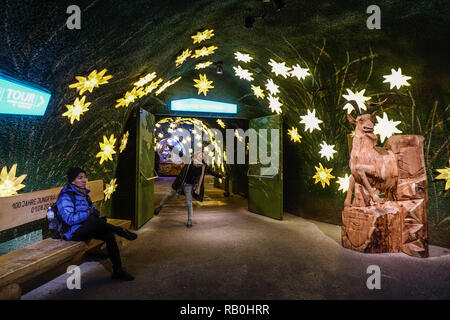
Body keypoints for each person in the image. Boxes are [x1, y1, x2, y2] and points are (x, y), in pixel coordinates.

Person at [56, 167, 138, 281]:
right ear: (72, 181)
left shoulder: (84, 194)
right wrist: (88, 213)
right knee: (92, 220)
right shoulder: (66, 197)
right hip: (72, 232)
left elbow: (93, 211)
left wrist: (92, 212)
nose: (84, 180)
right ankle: (120, 230)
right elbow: (69, 219)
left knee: (109, 235)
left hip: (88, 227)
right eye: (80, 178)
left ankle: (118, 270)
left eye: (85, 177)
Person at [154, 151, 225, 227]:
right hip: (180, 183)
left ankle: (189, 220)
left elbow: (212, 172)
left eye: (202, 155)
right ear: (196, 155)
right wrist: (172, 147)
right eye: (199, 154)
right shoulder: (189, 161)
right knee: (169, 195)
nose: (201, 156)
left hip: (189, 186)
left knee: (189, 202)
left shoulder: (203, 167)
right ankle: (160, 207)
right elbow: (180, 154)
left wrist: (221, 176)